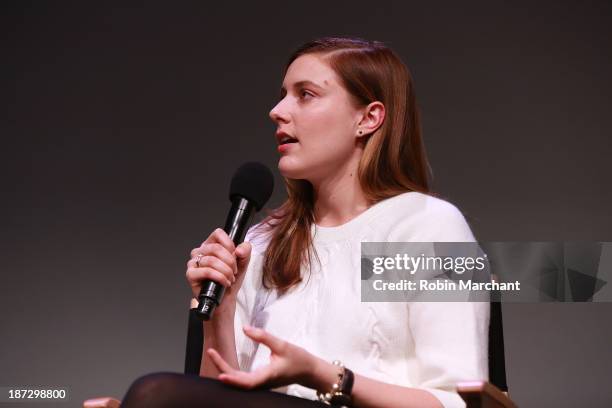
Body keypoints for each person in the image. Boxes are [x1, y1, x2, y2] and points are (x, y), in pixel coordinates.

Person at [119, 36, 489, 408]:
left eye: (306, 94)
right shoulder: (263, 240)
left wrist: (321, 373)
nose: (277, 111)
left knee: (156, 396)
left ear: (368, 118)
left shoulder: (425, 226)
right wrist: (221, 311)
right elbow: (213, 398)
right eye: (282, 94)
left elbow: (454, 403)